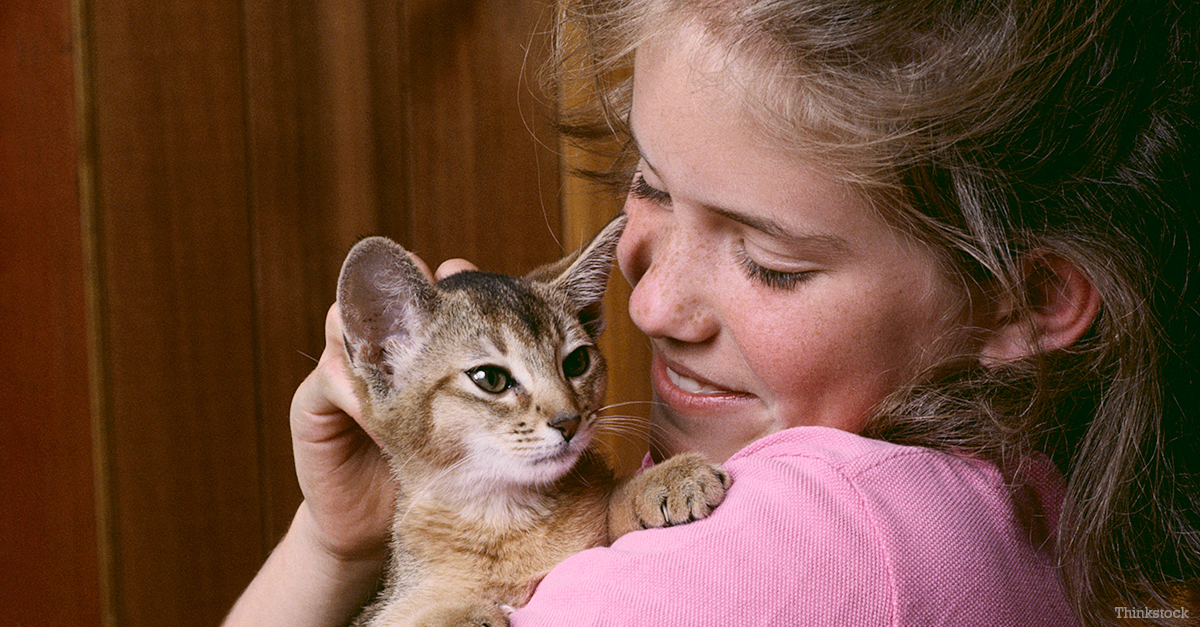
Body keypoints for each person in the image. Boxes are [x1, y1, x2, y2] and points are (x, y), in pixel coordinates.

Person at [223, 0, 1199, 625]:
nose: (647, 304)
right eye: (646, 188)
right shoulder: (1008, 492)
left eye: (770, 264)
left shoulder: (749, 568)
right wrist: (342, 535)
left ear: (1022, 300)